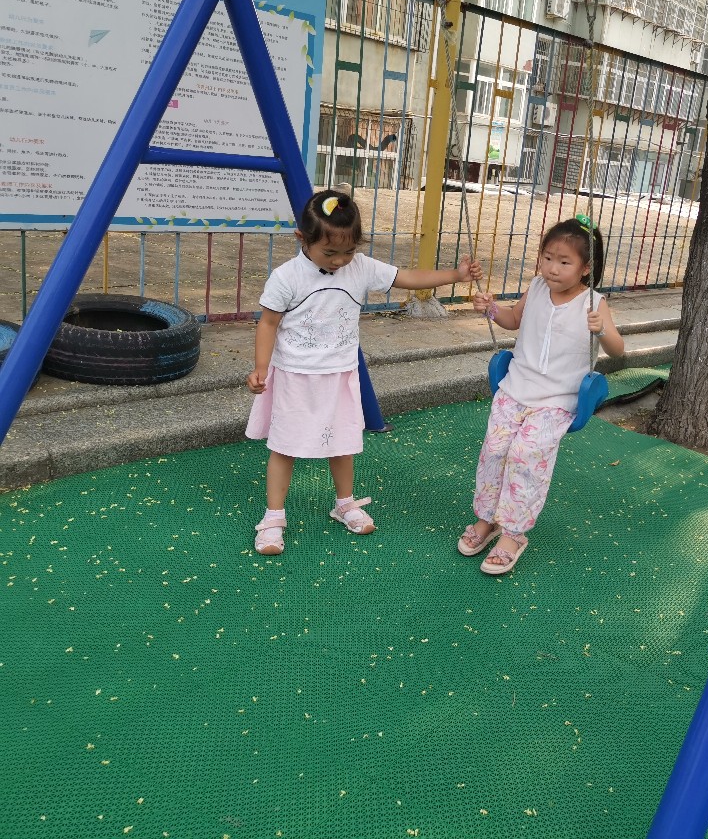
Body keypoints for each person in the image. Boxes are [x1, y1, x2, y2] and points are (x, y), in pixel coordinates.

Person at [245, 189, 482, 555]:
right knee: (285, 447)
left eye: (349, 251)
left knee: (342, 444)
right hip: (295, 375)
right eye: (329, 252)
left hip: (340, 374)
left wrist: (457, 274)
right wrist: (261, 368)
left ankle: (345, 503)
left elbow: (407, 277)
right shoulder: (286, 277)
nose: (340, 260)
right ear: (302, 238)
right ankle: (274, 516)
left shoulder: (361, 267)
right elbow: (268, 323)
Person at [459, 215, 625, 575]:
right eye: (547, 258)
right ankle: (487, 519)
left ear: (585, 268)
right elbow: (512, 320)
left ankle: (513, 534)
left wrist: (602, 330)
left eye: (564, 262)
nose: (552, 268)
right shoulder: (535, 288)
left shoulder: (593, 303)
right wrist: (490, 308)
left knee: (525, 455)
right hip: (516, 387)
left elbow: (617, 350)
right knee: (495, 450)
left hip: (557, 400)